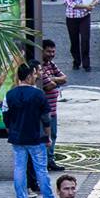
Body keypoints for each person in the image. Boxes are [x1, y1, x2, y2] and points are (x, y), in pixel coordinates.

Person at [3, 63, 55, 198]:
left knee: (19, 168)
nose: (35, 76)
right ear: (28, 76)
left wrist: (11, 132)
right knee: (41, 170)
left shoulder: (9, 95)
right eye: (33, 74)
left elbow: (6, 117)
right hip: (36, 138)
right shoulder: (38, 94)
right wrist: (48, 136)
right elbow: (46, 118)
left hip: (17, 138)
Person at [39, 40, 67, 172]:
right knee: (45, 137)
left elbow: (64, 78)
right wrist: (55, 80)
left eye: (53, 52)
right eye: (48, 51)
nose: (51, 54)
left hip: (53, 110)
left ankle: (50, 160)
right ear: (41, 51)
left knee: (53, 136)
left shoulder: (50, 64)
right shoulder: (39, 67)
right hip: (44, 111)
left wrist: (53, 79)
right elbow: (48, 85)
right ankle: (44, 161)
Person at [61, 0, 97, 71]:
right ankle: (76, 61)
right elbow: (70, 4)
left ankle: (86, 64)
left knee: (85, 40)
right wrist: (86, 6)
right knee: (74, 41)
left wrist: (92, 4)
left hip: (84, 17)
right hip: (72, 18)